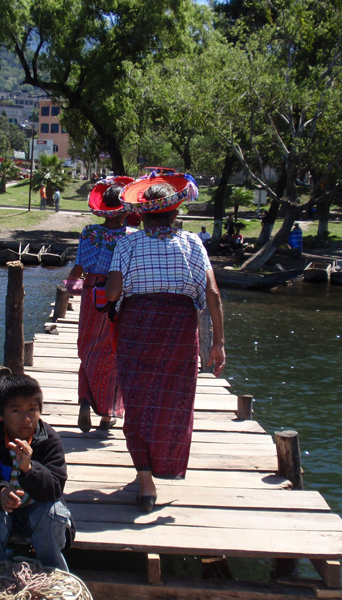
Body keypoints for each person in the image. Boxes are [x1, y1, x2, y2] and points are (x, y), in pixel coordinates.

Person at [105, 174, 226, 513]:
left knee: (138, 399)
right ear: (175, 214)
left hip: (138, 326)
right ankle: (164, 465)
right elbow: (212, 293)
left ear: (140, 215)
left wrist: (105, 295)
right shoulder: (192, 243)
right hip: (180, 329)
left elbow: (114, 293)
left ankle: (146, 483)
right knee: (173, 401)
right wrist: (218, 343)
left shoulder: (128, 243)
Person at [0, 374, 73, 579]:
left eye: (32, 409)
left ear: (40, 411)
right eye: (16, 411)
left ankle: (54, 576)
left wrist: (29, 469)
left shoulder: (49, 441)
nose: (26, 418)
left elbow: (55, 487)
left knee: (53, 515)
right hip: (2, 511)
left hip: (37, 507)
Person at [67, 177, 136, 433]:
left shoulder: (89, 231)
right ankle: (107, 414)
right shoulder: (131, 236)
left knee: (87, 349)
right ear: (125, 208)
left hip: (91, 294)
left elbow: (78, 270)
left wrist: (72, 290)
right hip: (117, 295)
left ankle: (85, 399)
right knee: (113, 353)